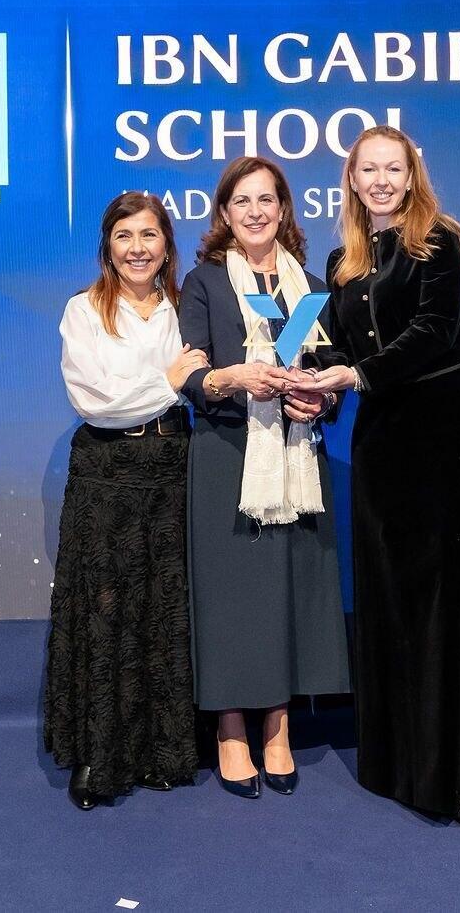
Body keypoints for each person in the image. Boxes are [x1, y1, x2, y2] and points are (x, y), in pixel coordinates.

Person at [298, 126, 460, 832]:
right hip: (384, 449)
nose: (379, 180)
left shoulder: (437, 242)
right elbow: (335, 349)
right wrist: (306, 376)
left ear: (412, 176)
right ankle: (404, 763)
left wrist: (357, 374)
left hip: (447, 437)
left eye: (392, 168)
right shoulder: (345, 264)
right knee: (395, 603)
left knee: (453, 605)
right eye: (367, 168)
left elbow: (435, 331)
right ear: (351, 177)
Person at [179, 157, 350, 799]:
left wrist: (321, 400)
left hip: (297, 455)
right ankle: (230, 730)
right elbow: (189, 374)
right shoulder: (203, 283)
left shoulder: (305, 286)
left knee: (287, 588)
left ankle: (278, 726)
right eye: (242, 201)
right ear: (224, 213)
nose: (255, 211)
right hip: (228, 456)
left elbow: (329, 364)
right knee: (232, 598)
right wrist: (233, 378)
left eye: (267, 200)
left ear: (283, 210)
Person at [44, 192, 209, 810]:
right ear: (106, 245)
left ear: (167, 243)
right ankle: (100, 755)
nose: (137, 248)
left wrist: (166, 389)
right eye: (124, 236)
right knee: (106, 610)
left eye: (149, 235)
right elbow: (96, 403)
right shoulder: (82, 311)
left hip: (173, 468)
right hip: (106, 474)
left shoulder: (183, 308)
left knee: (166, 607)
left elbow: (207, 380)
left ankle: (166, 750)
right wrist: (166, 383)